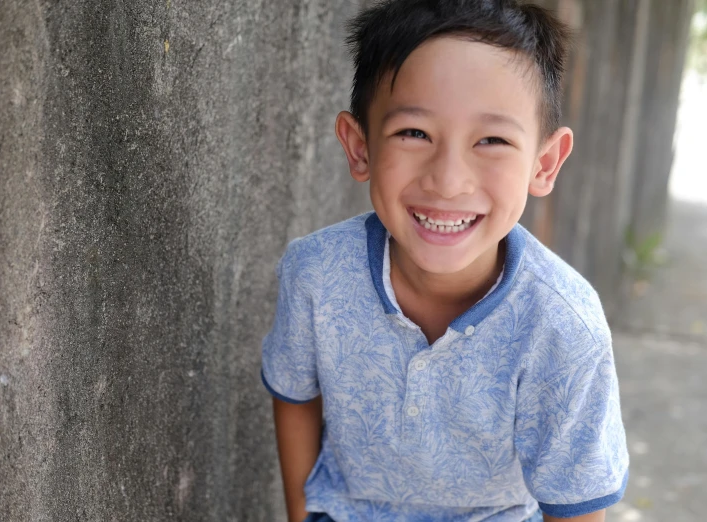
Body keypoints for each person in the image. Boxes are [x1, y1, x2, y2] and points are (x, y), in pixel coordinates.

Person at [260, 1, 629, 521]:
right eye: (414, 133)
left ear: (543, 164)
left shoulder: (564, 326)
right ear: (360, 146)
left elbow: (577, 502)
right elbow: (295, 396)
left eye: (492, 140)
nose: (448, 180)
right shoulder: (316, 273)